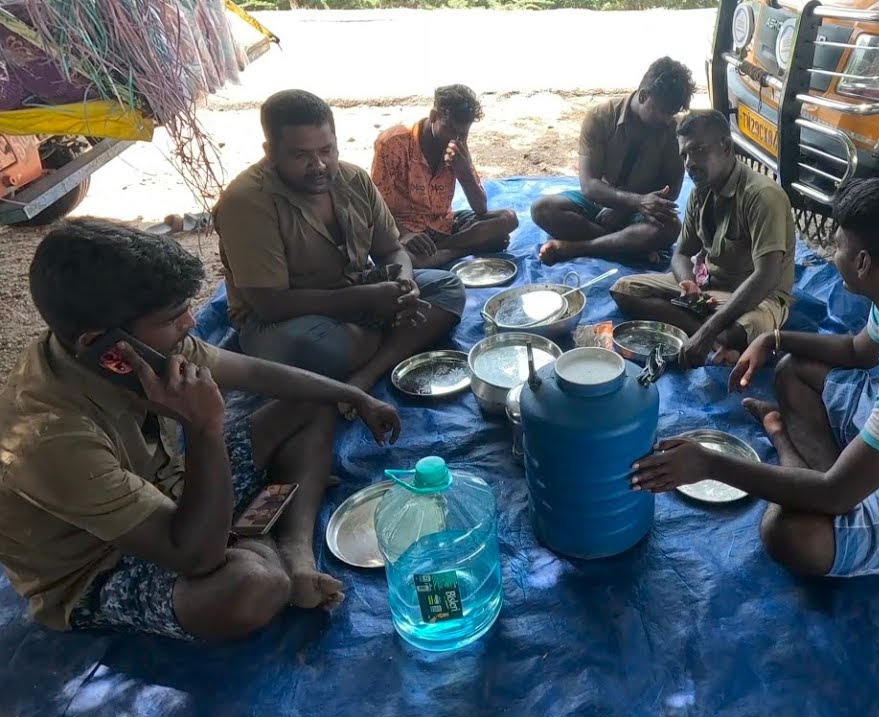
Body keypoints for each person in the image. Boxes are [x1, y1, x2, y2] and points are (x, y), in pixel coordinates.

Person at [0, 220, 404, 642]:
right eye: (173, 318)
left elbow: (252, 372)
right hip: (104, 563)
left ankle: (294, 548)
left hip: (174, 496)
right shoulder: (50, 437)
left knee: (311, 405)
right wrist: (203, 428)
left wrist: (355, 396)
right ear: (102, 345)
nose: (192, 322)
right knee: (254, 587)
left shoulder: (128, 350)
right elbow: (196, 556)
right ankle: (261, 538)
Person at [631, 178, 879, 579]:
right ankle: (820, 477)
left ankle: (787, 445)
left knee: (792, 534)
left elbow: (835, 495)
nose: (831, 254)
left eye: (838, 246)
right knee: (793, 368)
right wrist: (774, 338)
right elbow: (858, 351)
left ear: (863, 263)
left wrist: (710, 464)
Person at [214, 89, 466, 395]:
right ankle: (384, 343)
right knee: (315, 348)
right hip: (286, 319)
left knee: (448, 289)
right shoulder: (246, 203)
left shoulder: (354, 180)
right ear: (271, 152)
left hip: (358, 291)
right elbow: (270, 305)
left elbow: (390, 250)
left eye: (326, 150)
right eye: (300, 155)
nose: (318, 165)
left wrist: (404, 285)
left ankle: (367, 372)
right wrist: (366, 300)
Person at [609, 110, 795, 368]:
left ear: (726, 147)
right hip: (709, 290)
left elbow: (766, 276)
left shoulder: (762, 196)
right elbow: (682, 253)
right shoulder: (700, 193)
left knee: (745, 329)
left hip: (759, 296)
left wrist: (706, 333)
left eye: (697, 150)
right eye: (684, 154)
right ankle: (717, 339)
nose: (688, 163)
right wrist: (689, 284)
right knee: (624, 290)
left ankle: (714, 335)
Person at [531, 57, 694, 266]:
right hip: (601, 201)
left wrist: (630, 208)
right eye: (662, 112)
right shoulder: (600, 117)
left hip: (643, 212)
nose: (666, 120)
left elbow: (671, 191)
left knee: (670, 229)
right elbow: (589, 185)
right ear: (643, 96)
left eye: (672, 113)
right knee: (542, 209)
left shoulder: (673, 131)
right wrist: (632, 202)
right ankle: (628, 246)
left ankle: (575, 248)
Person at [370, 84, 518, 269]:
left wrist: (464, 173)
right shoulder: (393, 143)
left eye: (463, 133)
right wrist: (404, 234)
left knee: (508, 219)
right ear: (433, 117)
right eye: (449, 129)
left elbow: (481, 208)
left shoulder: (457, 145)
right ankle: (460, 250)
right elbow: (375, 207)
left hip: (443, 226)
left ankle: (439, 252)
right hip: (403, 230)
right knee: (405, 260)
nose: (455, 138)